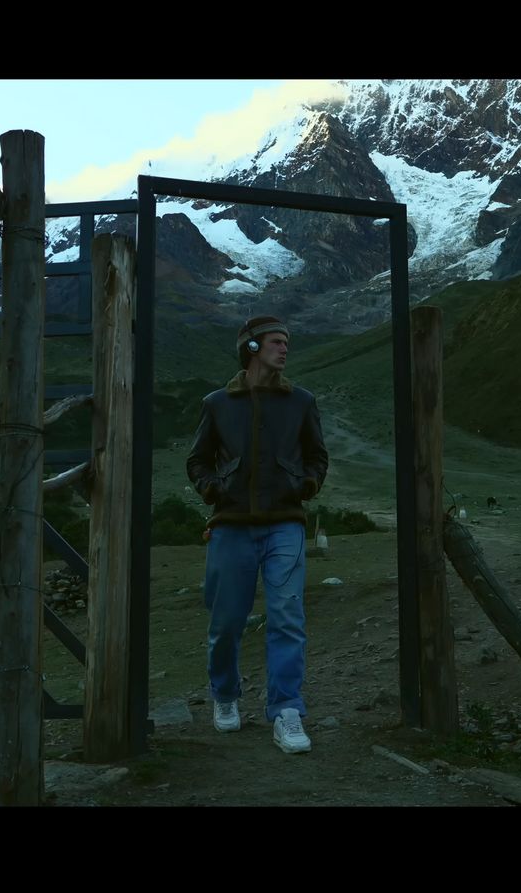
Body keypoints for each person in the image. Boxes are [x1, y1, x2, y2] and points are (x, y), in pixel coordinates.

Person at [186, 315, 328, 754]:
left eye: (287, 342)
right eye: (275, 342)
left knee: (287, 617)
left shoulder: (301, 401)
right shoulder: (217, 403)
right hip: (231, 527)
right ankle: (225, 694)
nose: (284, 349)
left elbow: (317, 457)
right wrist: (213, 490)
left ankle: (287, 710)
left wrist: (304, 486)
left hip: (285, 524)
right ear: (250, 348)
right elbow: (198, 460)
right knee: (226, 622)